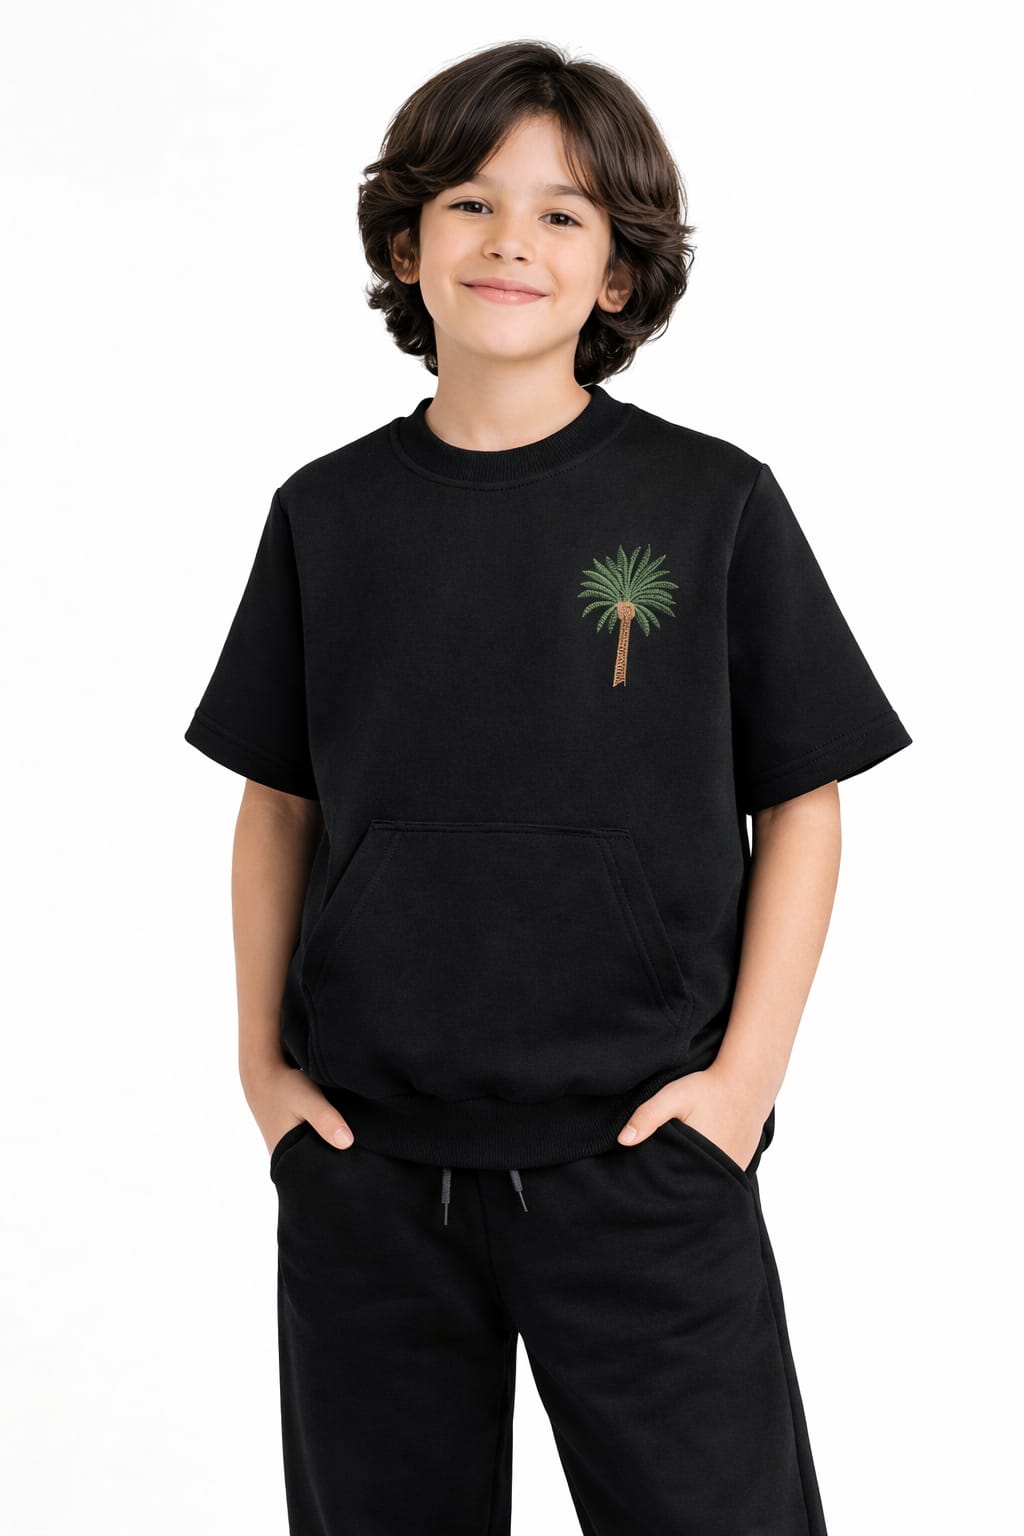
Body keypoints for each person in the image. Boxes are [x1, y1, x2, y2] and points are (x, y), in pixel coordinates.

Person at [184, 39, 912, 1536]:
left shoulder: (710, 502)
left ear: (618, 274)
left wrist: (740, 1092)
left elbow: (806, 801)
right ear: (407, 246)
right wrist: (265, 1077)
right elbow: (278, 804)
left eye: (562, 213)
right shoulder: (326, 514)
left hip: (645, 1158)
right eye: (471, 201)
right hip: (369, 1168)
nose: (511, 238)